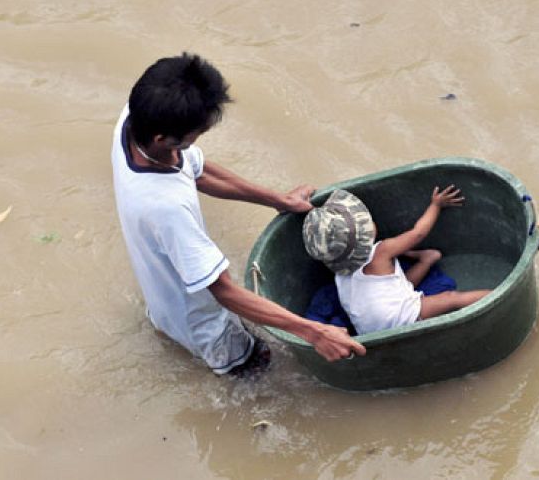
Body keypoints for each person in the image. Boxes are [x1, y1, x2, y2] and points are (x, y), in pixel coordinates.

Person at [111, 52, 365, 376]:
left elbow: (198, 172)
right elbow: (225, 292)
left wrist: (278, 200)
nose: (197, 141)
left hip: (163, 298)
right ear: (163, 139)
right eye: (195, 136)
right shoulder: (165, 207)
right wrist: (313, 332)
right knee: (261, 374)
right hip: (206, 328)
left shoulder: (134, 120)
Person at [302, 187, 492, 335]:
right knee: (451, 299)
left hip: (369, 331)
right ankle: (497, 298)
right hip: (399, 320)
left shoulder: (337, 269)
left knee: (397, 284)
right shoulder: (381, 251)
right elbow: (418, 233)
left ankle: (426, 259)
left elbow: (388, 289)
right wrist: (436, 205)